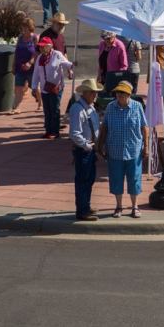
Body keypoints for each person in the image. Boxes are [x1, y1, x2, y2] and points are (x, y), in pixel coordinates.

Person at [100, 81, 148, 218]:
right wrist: (100, 145)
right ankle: (119, 206)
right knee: (116, 179)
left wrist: (146, 147)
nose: (119, 96)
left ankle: (135, 206)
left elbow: (144, 128)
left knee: (134, 179)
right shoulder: (110, 107)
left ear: (129, 95)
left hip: (134, 150)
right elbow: (105, 127)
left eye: (122, 93)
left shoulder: (137, 106)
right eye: (118, 93)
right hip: (115, 150)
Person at [69, 79, 103, 221]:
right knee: (83, 180)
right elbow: (74, 133)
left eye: (96, 93)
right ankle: (82, 210)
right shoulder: (77, 109)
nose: (95, 95)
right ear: (85, 93)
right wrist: (87, 145)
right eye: (93, 93)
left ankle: (86, 206)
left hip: (90, 150)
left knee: (89, 179)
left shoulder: (91, 107)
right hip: (83, 150)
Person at [30, 36, 73, 139]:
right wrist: (34, 87)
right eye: (40, 47)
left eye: (43, 47)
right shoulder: (40, 58)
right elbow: (36, 73)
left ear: (49, 47)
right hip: (45, 88)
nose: (41, 49)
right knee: (47, 110)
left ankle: (55, 132)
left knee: (54, 109)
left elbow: (66, 63)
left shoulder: (57, 55)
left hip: (56, 87)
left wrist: (71, 66)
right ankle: (48, 131)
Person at [10, 17, 39, 115]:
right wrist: (13, 65)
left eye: (25, 28)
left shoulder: (35, 38)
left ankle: (40, 104)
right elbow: (16, 52)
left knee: (35, 88)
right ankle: (15, 108)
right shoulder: (20, 37)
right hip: (20, 67)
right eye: (22, 28)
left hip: (31, 68)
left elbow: (36, 53)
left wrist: (30, 63)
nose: (23, 30)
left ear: (30, 28)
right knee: (18, 88)